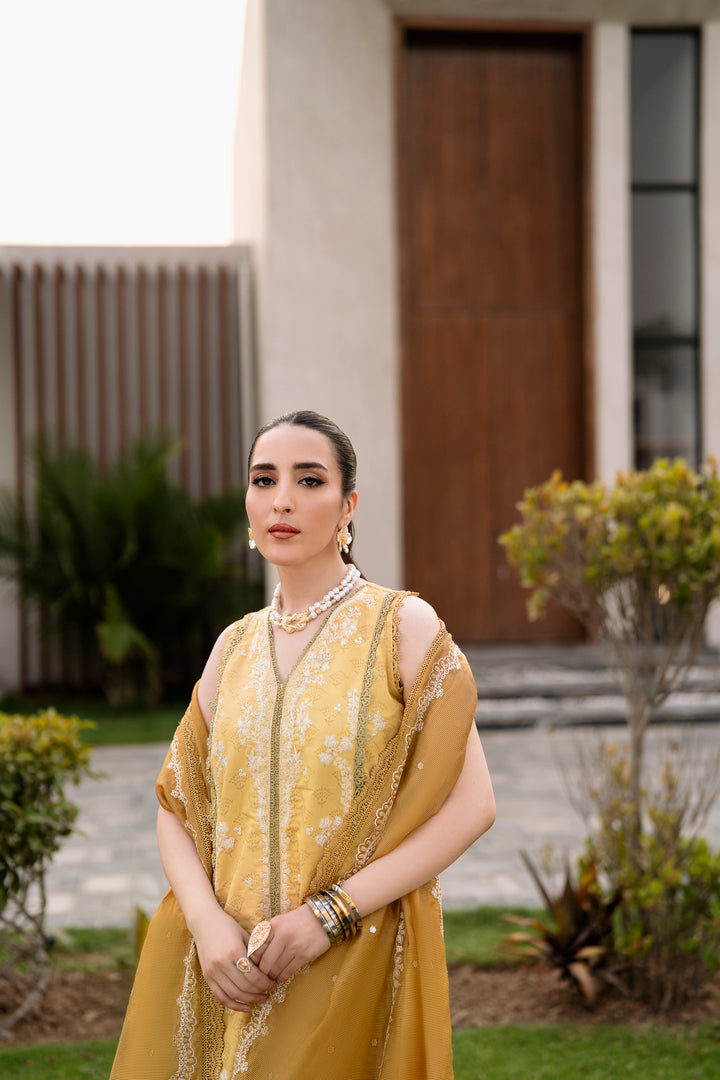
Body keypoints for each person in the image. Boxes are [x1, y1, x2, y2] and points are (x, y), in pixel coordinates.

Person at [111, 410, 496, 1080]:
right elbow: (177, 807)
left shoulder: (401, 626)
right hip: (232, 967)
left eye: (309, 480)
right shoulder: (232, 646)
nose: (282, 500)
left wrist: (329, 916)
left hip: (353, 954)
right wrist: (206, 926)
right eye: (264, 480)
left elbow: (472, 806)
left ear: (348, 506)